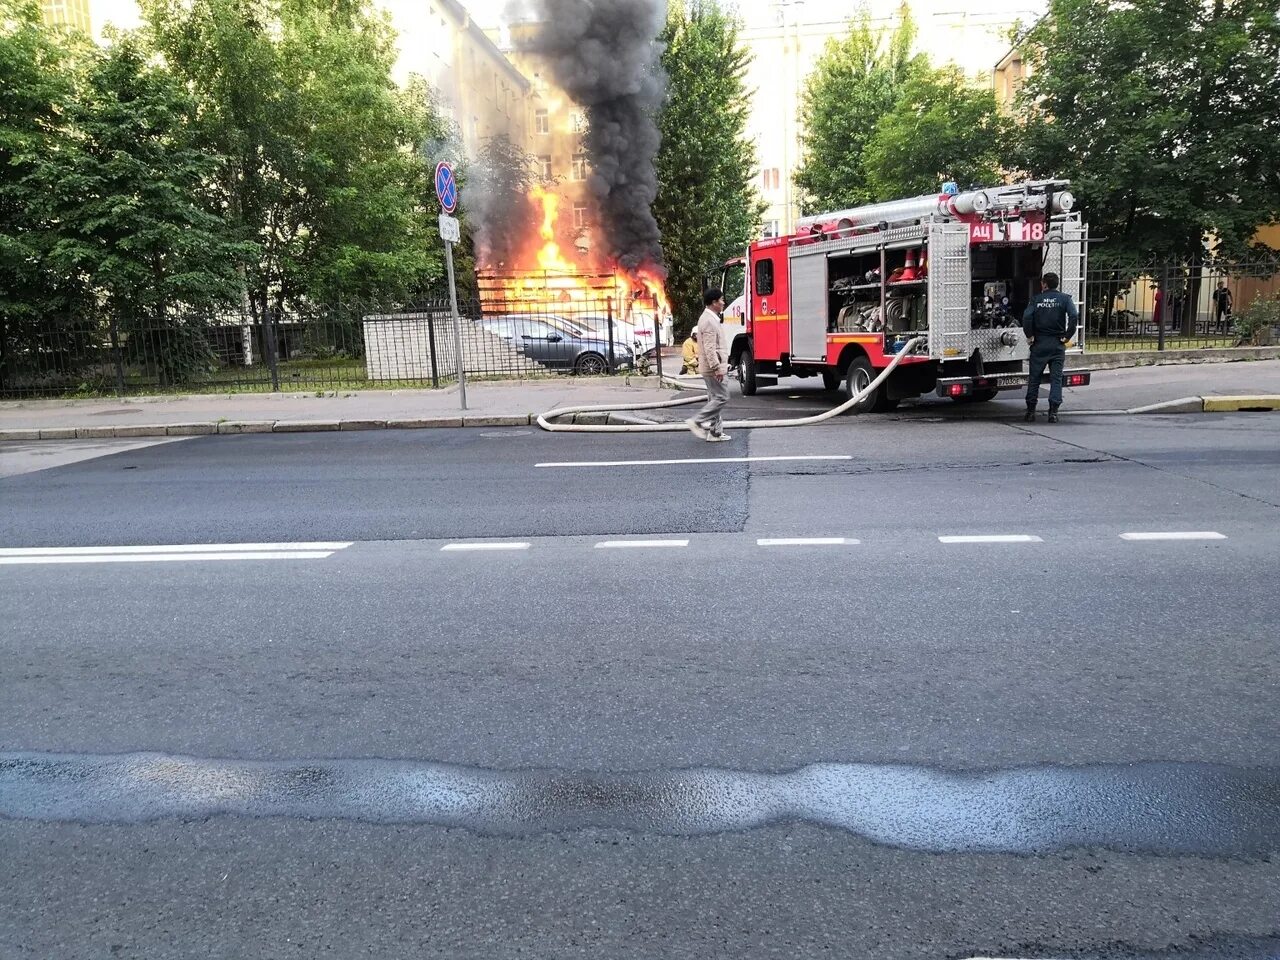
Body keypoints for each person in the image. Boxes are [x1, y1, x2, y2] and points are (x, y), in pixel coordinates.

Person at [1022, 272, 1079, 423]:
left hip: (1039, 343)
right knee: (1056, 379)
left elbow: (1027, 317)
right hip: (1057, 344)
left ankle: (1030, 412)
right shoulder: (1065, 299)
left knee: (1034, 378)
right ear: (1057, 284)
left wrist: (1030, 335)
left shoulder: (1036, 299)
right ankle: (1053, 412)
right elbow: (1074, 316)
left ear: (1044, 284)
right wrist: (1068, 336)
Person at [686, 288, 731, 441]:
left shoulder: (709, 318)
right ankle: (696, 421)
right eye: (721, 300)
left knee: (715, 398)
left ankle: (714, 432)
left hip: (712, 367)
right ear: (714, 302)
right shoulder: (709, 321)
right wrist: (717, 368)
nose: (723, 303)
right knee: (722, 397)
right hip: (713, 369)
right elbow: (710, 349)